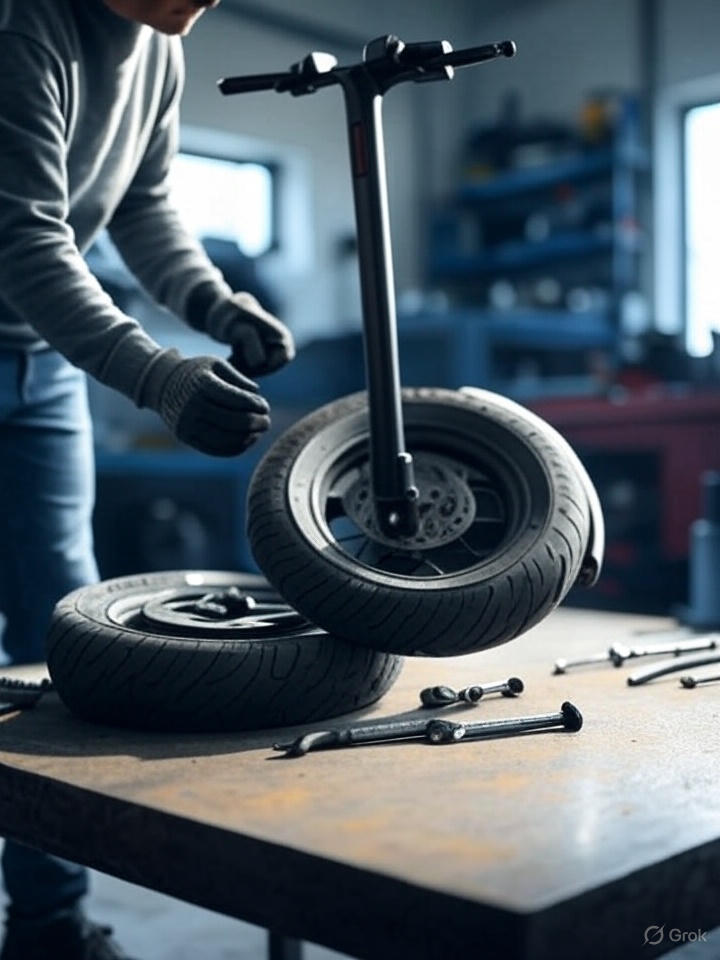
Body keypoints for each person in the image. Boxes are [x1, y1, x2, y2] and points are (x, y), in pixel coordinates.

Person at [0, 0, 294, 957]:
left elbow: (143, 202)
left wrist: (213, 303)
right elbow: (25, 236)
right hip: (29, 319)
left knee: (60, 635)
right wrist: (157, 372)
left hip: (39, 368)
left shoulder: (160, 47)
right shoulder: (25, 28)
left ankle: (49, 928)